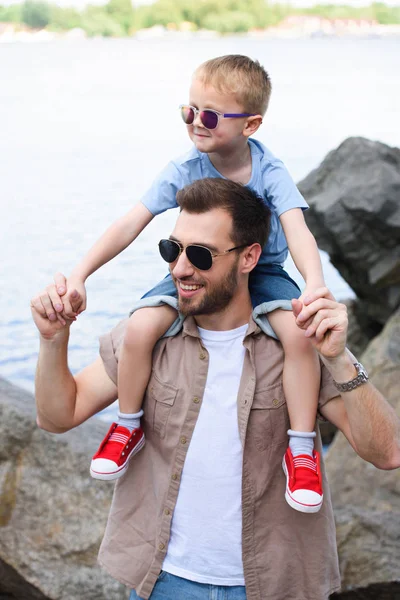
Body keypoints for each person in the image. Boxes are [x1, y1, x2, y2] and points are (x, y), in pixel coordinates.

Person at [32, 179, 400, 600]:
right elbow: (57, 416)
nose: (179, 269)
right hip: (162, 583)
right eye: (172, 250)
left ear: (249, 258)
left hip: (274, 584)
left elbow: (387, 452)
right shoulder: (147, 339)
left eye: (201, 255)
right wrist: (52, 339)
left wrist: (338, 359)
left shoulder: (296, 345)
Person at [47, 55, 322, 512]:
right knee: (139, 327)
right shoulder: (184, 167)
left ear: (251, 124)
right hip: (193, 265)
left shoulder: (269, 172)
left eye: (210, 115)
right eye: (188, 111)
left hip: (262, 270)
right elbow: (130, 223)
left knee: (298, 334)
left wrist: (313, 284)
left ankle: (300, 448)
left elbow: (297, 230)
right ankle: (127, 425)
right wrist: (80, 273)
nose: (196, 122)